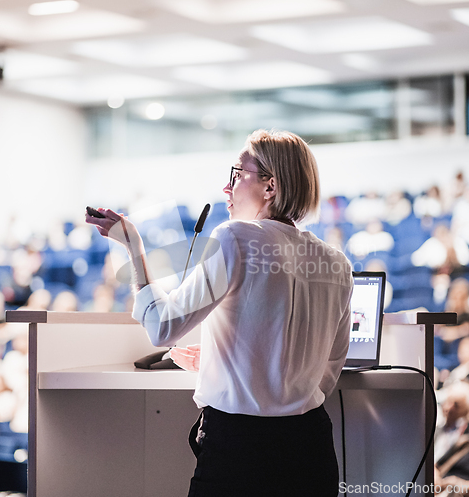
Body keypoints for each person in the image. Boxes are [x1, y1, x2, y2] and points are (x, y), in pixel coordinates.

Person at [86, 129, 353, 497]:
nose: (226, 188)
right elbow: (326, 371)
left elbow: (162, 328)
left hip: (241, 451)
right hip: (311, 449)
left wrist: (133, 244)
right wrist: (230, 362)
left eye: (236, 174)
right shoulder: (337, 262)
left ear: (270, 186)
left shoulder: (236, 238)